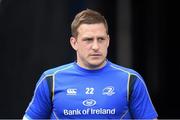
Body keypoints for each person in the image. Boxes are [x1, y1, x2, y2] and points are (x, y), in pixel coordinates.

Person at [23, 9, 158, 119]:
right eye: (88, 40)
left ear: (108, 41)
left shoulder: (130, 80)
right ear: (74, 43)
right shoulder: (51, 79)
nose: (95, 46)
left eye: (100, 39)